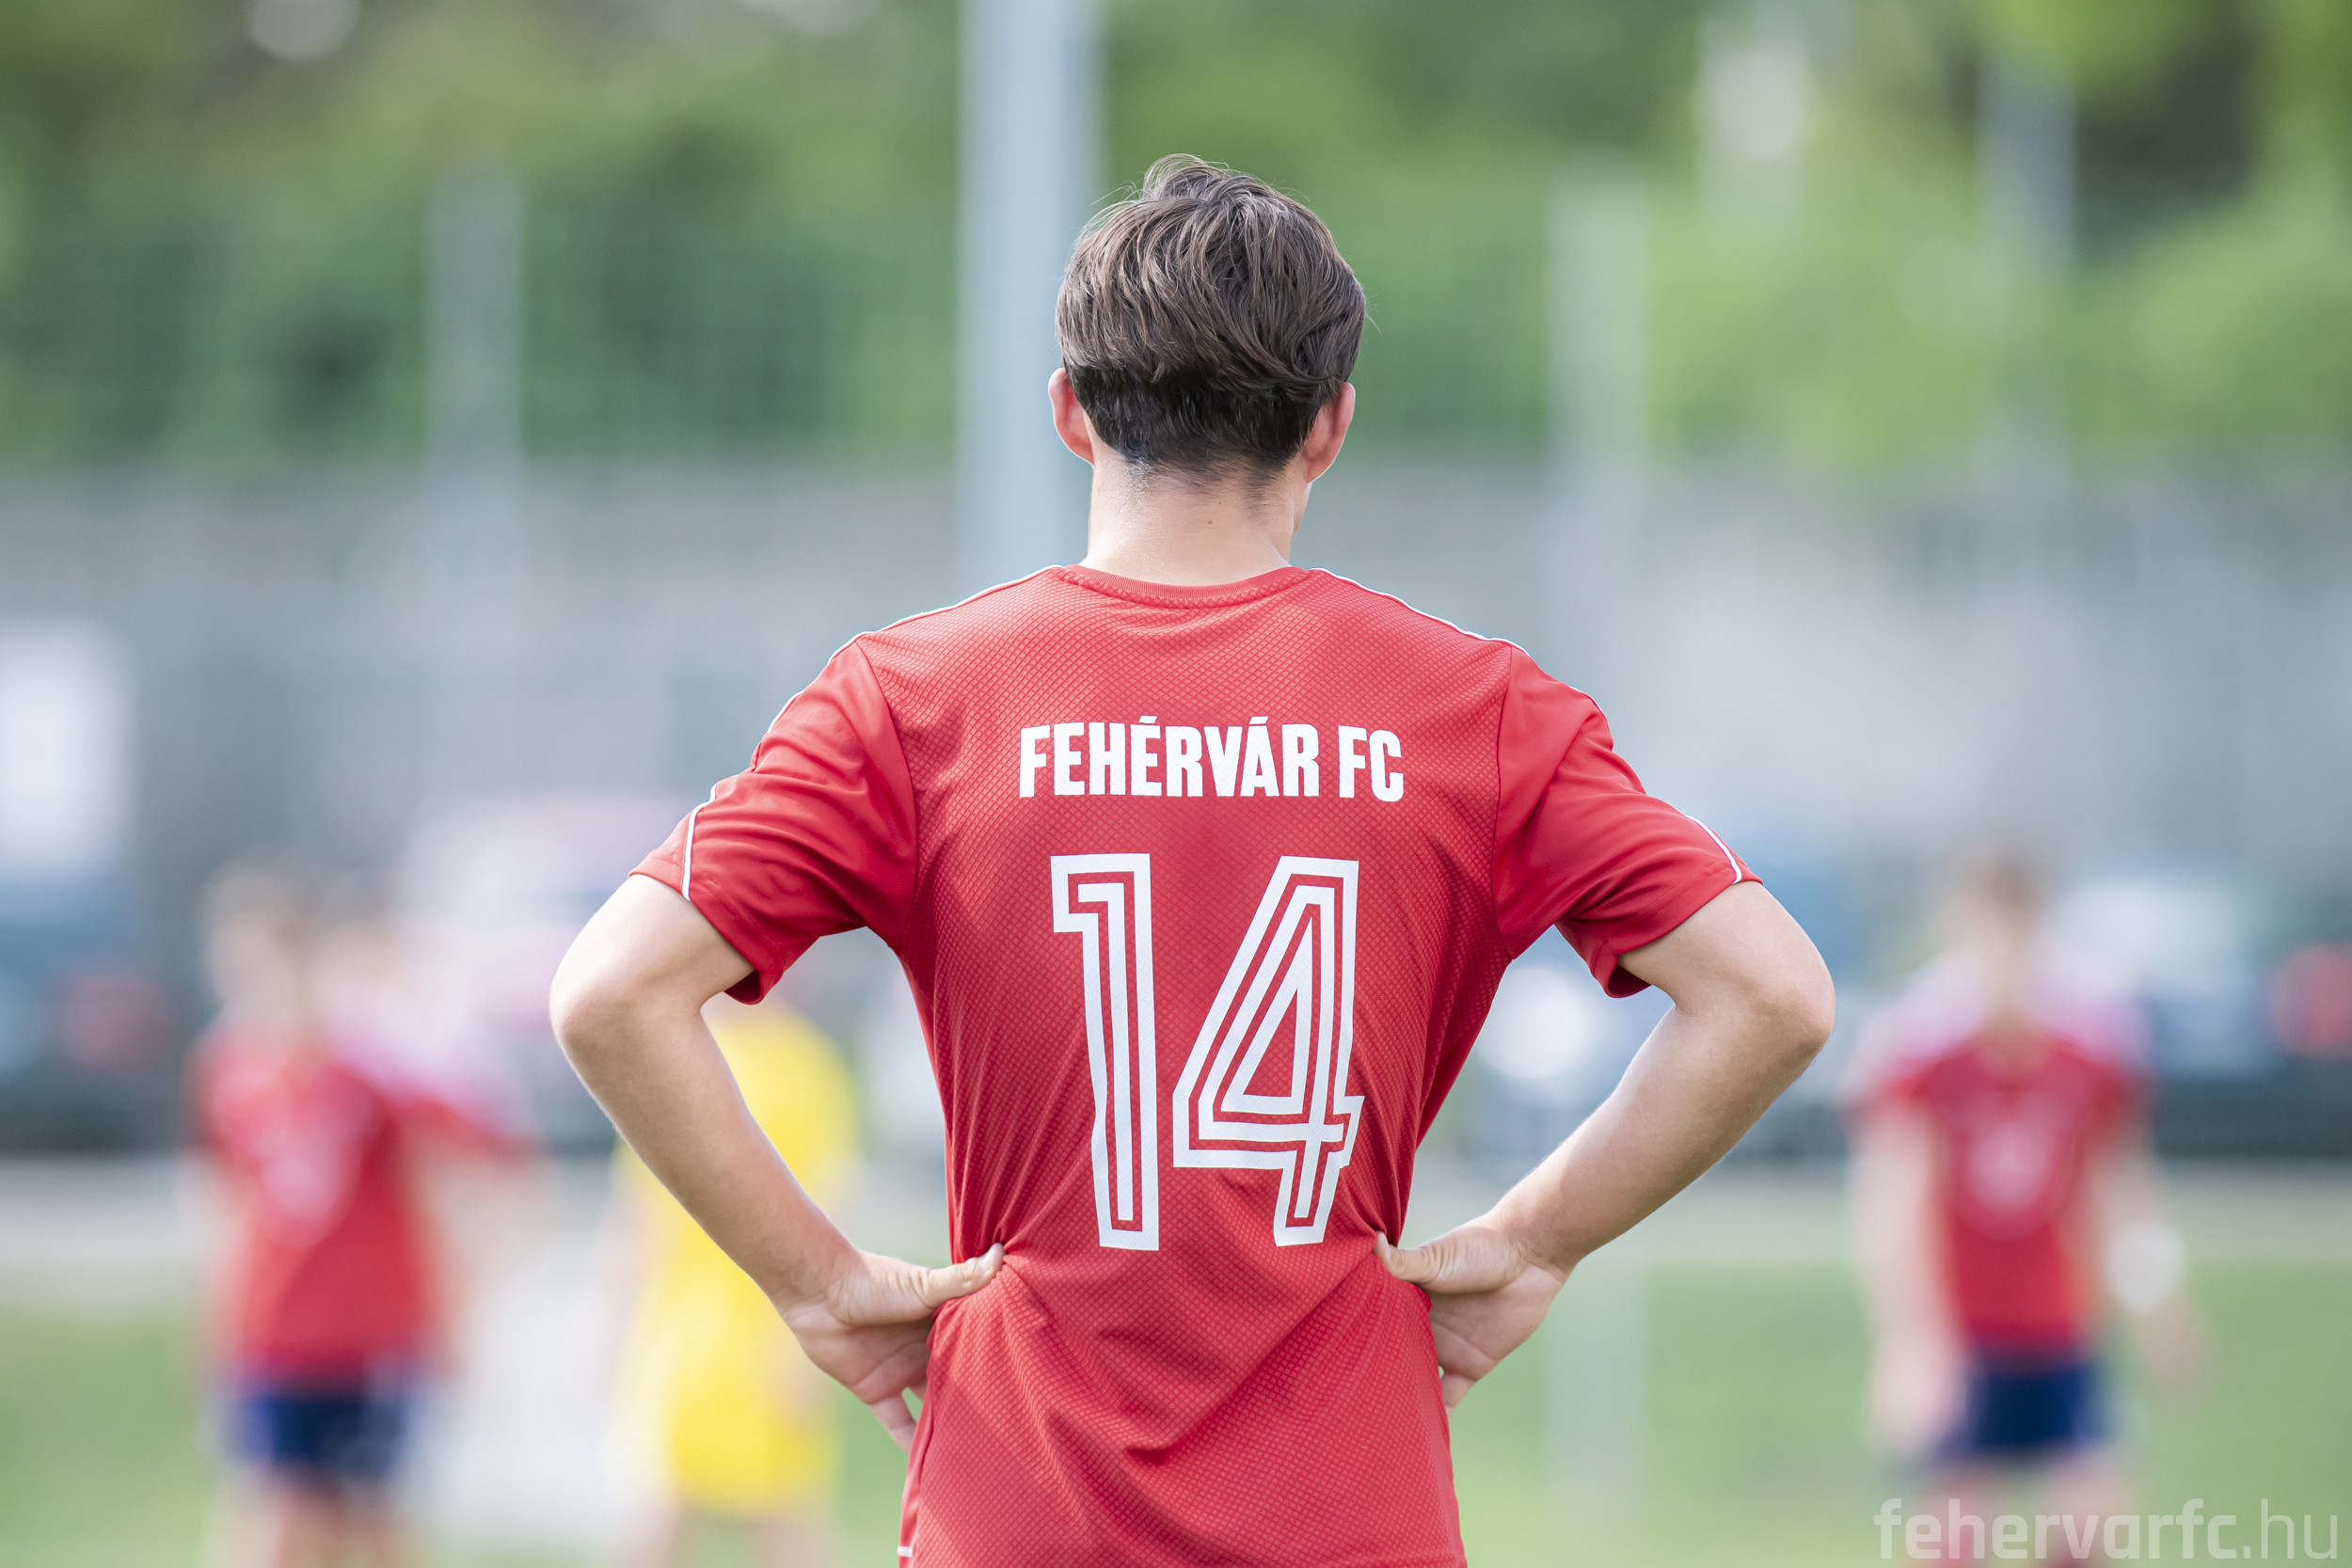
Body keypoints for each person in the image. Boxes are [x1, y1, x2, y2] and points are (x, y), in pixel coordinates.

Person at [550, 155, 1835, 1565]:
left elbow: (610, 990)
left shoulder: (916, 701)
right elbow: (1773, 992)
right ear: (1330, 425)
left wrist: (814, 1280)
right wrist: (1538, 1237)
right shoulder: (1473, 709)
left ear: (1069, 410)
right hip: (1349, 1510)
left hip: (1020, 1512)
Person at [1848, 847, 2200, 1565]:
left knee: (2092, 1521)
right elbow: (1892, 1203)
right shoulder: (1922, 1041)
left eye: (2018, 921)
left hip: (2059, 1319)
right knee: (1956, 1533)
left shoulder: (2091, 1039)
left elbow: (2119, 1187)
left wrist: (2158, 1306)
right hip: (1967, 1326)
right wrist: (1910, 1341)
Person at [192, 865, 507, 1568]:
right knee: (274, 1522)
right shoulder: (226, 1068)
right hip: (274, 1335)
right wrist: (215, 1329)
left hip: (373, 1337)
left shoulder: (376, 1063)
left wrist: (458, 1316)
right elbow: (229, 1208)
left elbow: (454, 1172)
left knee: (375, 1523)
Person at [612, 992, 858, 1568]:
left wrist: (802, 1350)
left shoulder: (804, 1066)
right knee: (655, 1512)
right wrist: (611, 1318)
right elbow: (640, 1209)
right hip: (678, 1330)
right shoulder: (670, 1051)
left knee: (783, 1518)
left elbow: (833, 1199)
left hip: (769, 1322)